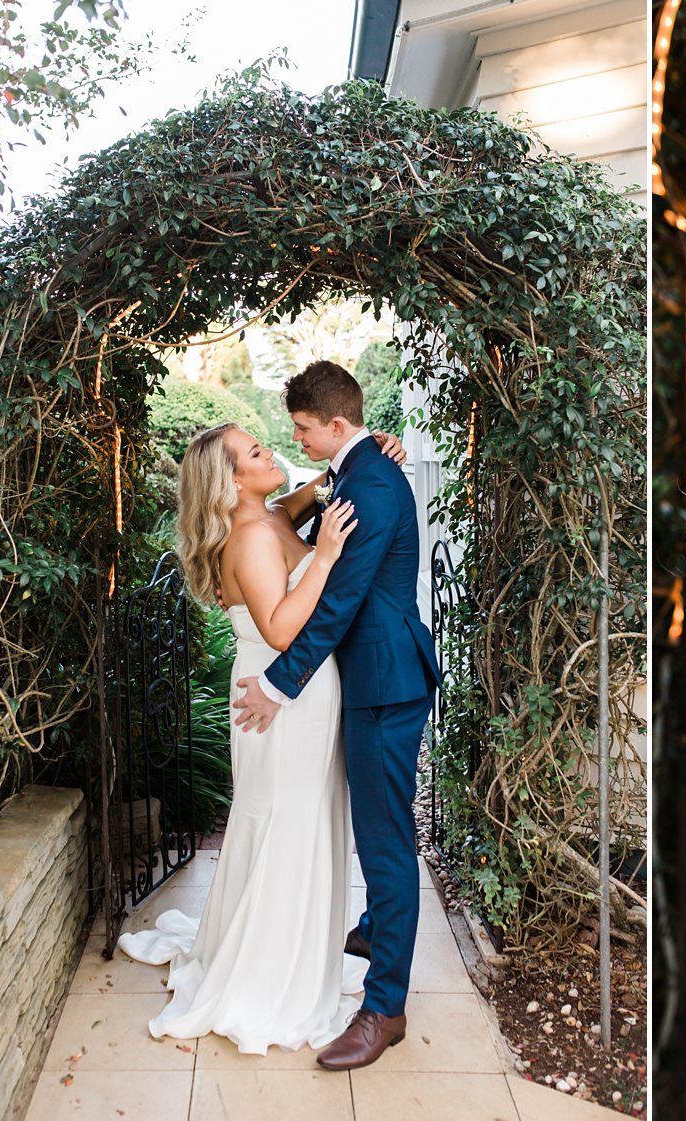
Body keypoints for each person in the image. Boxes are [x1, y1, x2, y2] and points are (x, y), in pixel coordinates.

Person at [117, 416, 403, 1053]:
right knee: (284, 822)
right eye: (254, 451)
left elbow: (321, 484)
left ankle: (296, 947)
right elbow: (279, 628)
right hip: (276, 696)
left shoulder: (271, 513)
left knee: (300, 819)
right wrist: (324, 556)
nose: (270, 450)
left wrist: (368, 448)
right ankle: (272, 970)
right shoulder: (248, 537)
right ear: (229, 483)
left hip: (299, 693)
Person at [229, 359, 440, 1071]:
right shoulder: (358, 469)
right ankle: (378, 926)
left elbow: (339, 600)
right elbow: (303, 529)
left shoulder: (371, 483)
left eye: (303, 429)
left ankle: (385, 1010)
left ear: (338, 423)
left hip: (383, 683)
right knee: (381, 829)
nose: (295, 439)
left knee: (385, 845)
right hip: (376, 676)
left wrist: (277, 684)